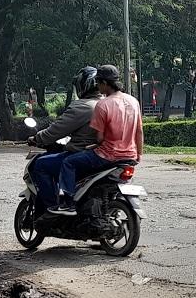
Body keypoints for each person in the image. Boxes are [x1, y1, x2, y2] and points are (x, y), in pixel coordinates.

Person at [50, 64, 142, 215]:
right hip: (129, 157)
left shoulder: (103, 105)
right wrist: (139, 154)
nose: (98, 87)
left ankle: (68, 203)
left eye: (98, 83)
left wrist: (91, 146)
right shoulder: (133, 101)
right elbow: (139, 132)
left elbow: (99, 139)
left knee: (69, 162)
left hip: (107, 156)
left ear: (105, 83)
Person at [28, 67, 101, 209]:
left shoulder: (82, 106)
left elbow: (56, 130)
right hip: (108, 154)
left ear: (83, 85)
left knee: (40, 165)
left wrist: (37, 138)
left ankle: (52, 208)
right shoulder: (109, 103)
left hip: (84, 154)